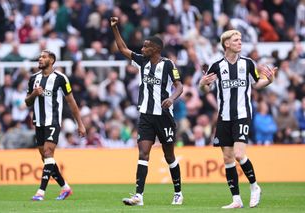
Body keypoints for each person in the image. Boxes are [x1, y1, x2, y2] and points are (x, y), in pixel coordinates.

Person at [198, 30, 277, 209]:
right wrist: (202, 85)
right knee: (227, 159)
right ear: (227, 44)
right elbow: (206, 89)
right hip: (224, 117)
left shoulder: (248, 63)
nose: (240, 42)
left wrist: (269, 81)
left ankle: (255, 187)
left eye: (240, 40)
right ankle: (236, 200)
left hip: (242, 115)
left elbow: (256, 83)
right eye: (236, 40)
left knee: (239, 154)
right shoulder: (217, 66)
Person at [111, 17, 184, 206]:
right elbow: (122, 49)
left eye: (146, 46)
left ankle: (178, 192)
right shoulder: (142, 61)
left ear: (156, 49)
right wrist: (115, 29)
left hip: (164, 116)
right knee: (143, 153)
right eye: (142, 46)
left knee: (169, 156)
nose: (142, 49)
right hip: (145, 115)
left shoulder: (168, 65)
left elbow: (179, 86)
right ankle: (139, 196)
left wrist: (171, 98)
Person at [25, 50, 86, 201]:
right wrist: (34, 94)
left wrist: (80, 124)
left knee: (47, 153)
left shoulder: (60, 78)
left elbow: (71, 102)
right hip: (38, 123)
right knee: (46, 159)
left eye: (43, 57)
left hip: (52, 121)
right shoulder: (33, 79)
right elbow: (27, 102)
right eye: (39, 56)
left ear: (51, 60)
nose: (40, 59)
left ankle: (40, 192)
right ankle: (65, 188)